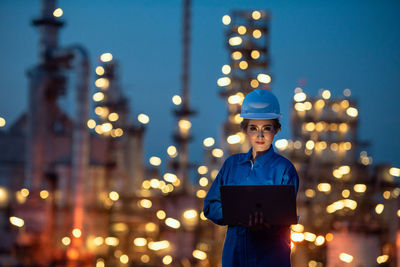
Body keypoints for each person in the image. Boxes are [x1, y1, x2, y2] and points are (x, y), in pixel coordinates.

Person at [203, 89, 299, 267]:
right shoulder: (232, 165)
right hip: (235, 259)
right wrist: (238, 215)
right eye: (253, 128)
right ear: (245, 130)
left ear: (276, 130)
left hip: (270, 260)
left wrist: (266, 224)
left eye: (267, 129)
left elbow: (284, 216)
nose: (260, 136)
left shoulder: (284, 170)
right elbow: (210, 206)